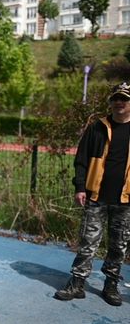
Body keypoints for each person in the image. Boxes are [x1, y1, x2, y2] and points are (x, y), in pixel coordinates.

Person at [54, 82, 130, 306]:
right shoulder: (97, 128)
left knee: (119, 246)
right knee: (88, 243)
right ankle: (77, 283)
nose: (119, 103)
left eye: (124, 99)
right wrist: (80, 187)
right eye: (116, 98)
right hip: (96, 197)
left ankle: (111, 285)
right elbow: (81, 159)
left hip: (125, 201)